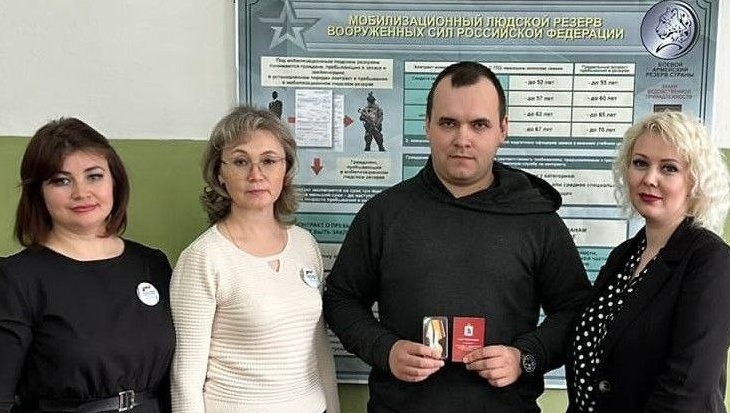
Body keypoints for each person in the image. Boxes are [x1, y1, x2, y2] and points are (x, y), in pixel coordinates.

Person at [323, 61, 591, 412]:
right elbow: (341, 299)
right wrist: (385, 350)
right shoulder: (384, 213)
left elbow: (577, 311)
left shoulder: (537, 219)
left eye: (479, 125)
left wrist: (524, 357)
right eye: (448, 123)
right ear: (427, 126)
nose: (463, 139)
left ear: (503, 129)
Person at [169, 105, 340, 413]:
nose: (256, 175)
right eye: (240, 161)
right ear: (220, 174)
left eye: (269, 161)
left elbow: (319, 347)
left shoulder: (304, 245)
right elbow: (186, 377)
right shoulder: (203, 258)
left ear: (285, 169)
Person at [0, 118, 175, 413]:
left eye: (94, 176)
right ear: (38, 192)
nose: (81, 192)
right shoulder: (17, 278)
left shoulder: (152, 264)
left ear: (115, 181)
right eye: (61, 180)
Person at [565, 111, 730, 413]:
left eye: (669, 168)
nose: (649, 179)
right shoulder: (623, 256)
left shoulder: (711, 261)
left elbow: (687, 389)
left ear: (695, 180)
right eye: (640, 163)